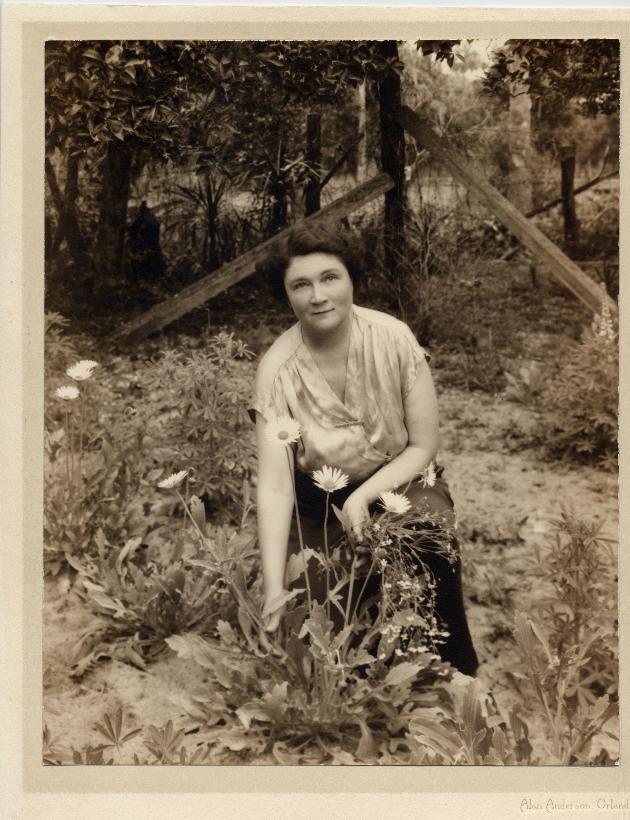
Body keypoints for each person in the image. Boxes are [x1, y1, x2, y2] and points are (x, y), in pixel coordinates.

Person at [249, 222, 478, 677]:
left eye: (330, 278)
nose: (318, 296)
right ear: (287, 296)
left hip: (402, 483)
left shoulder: (393, 338)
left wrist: (362, 498)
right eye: (301, 285)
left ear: (352, 279)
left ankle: (443, 670)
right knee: (315, 636)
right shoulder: (277, 371)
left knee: (425, 534)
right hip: (318, 504)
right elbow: (276, 488)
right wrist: (273, 584)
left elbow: (423, 445)